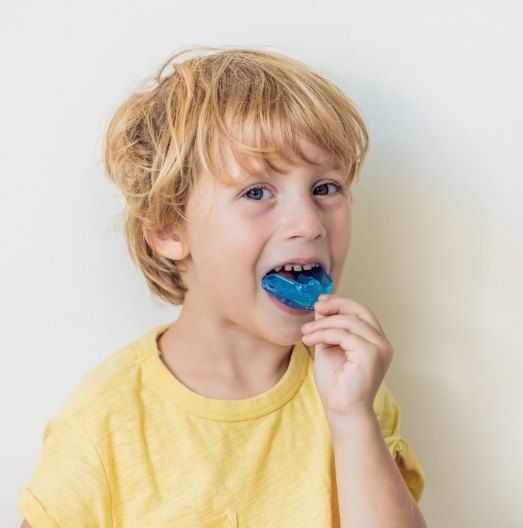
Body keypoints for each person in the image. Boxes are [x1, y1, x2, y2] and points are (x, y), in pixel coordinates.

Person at [18, 47, 426, 528]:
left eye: (325, 188)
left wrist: (353, 418)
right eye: (257, 192)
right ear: (170, 229)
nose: (307, 222)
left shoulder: (352, 389)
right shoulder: (103, 424)